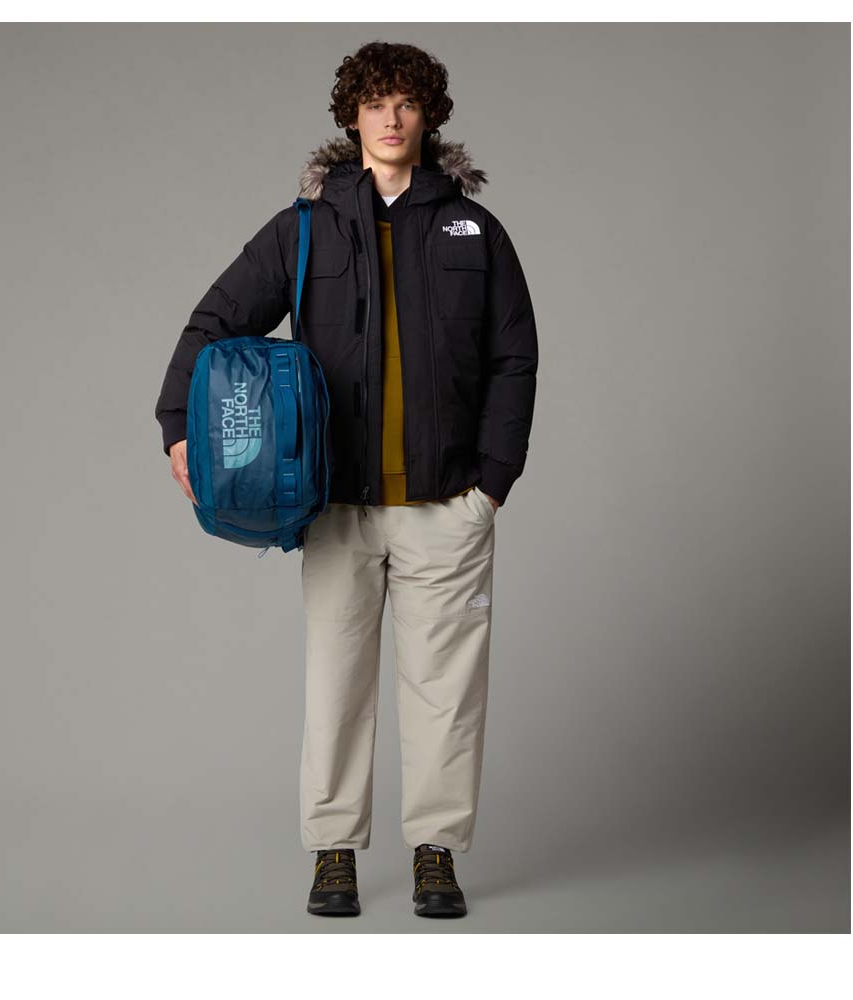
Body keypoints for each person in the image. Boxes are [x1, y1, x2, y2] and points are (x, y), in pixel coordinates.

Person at [154, 40, 538, 919]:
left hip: (446, 505)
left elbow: (515, 357)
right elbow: (214, 321)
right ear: (352, 116)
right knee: (336, 686)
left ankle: (435, 852)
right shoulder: (304, 227)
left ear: (429, 116)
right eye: (375, 103)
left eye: (406, 103)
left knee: (446, 693)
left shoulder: (475, 231)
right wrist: (180, 426)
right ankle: (334, 851)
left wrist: (492, 481)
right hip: (334, 507)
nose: (391, 119)